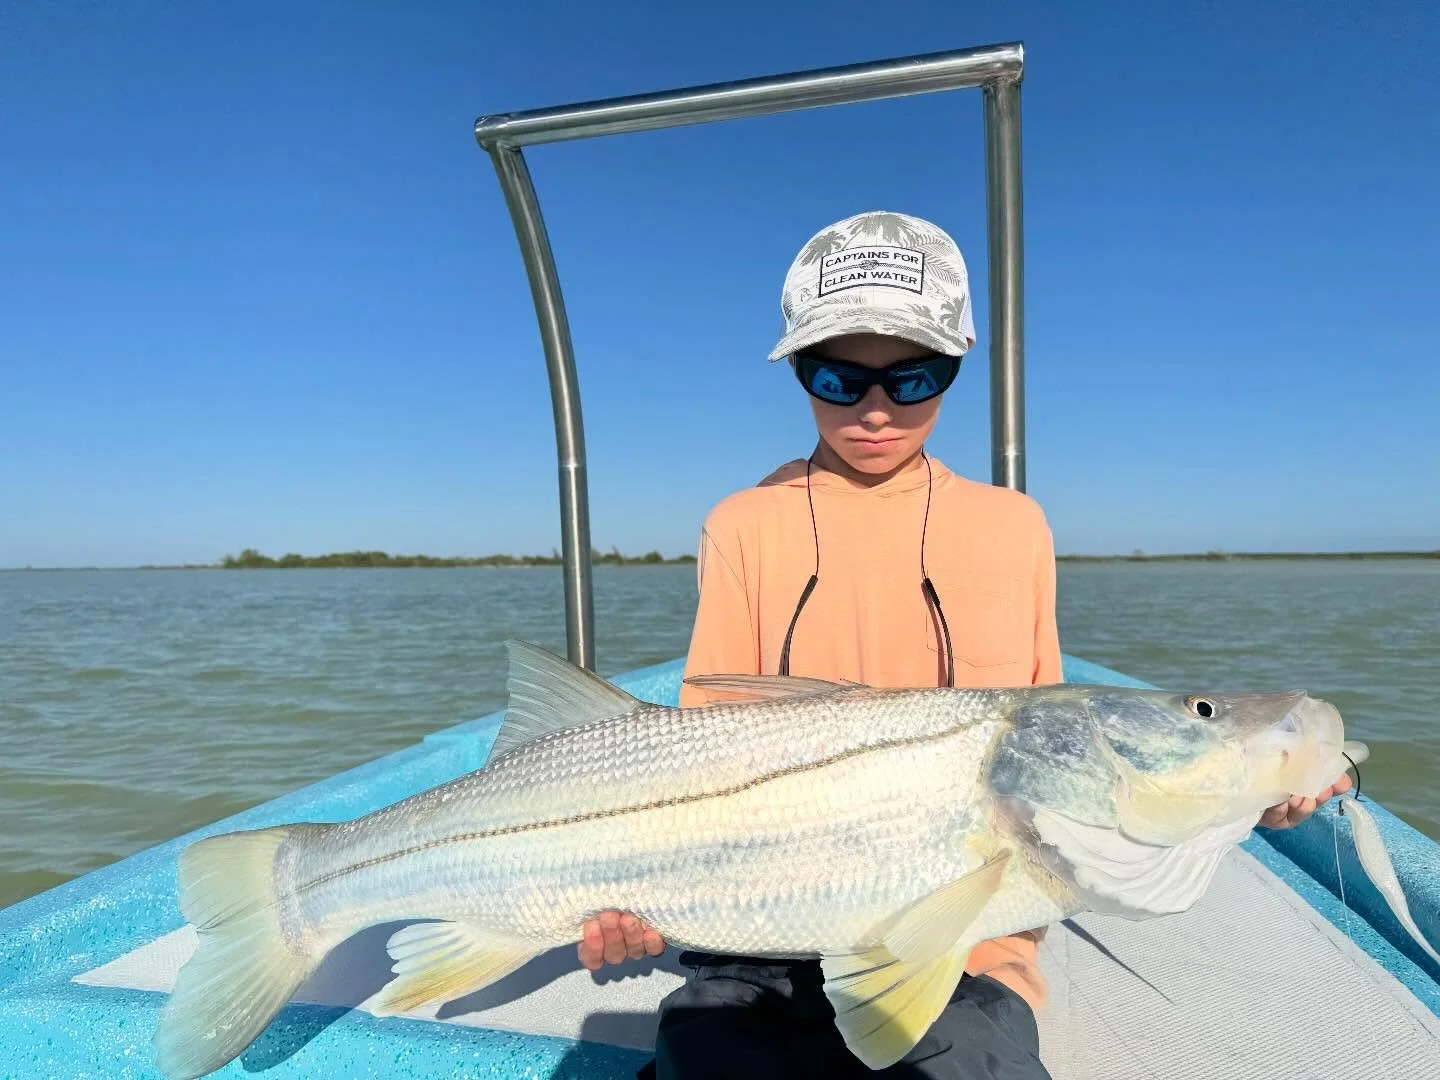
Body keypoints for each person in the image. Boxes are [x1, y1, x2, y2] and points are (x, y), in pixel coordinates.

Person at [577, 210, 1353, 1078]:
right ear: (798, 371)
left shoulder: (1013, 526)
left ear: (955, 365)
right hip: (761, 926)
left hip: (973, 936)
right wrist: (631, 898)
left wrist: (1254, 792)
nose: (875, 410)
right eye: (837, 379)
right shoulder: (743, 524)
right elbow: (697, 762)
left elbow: (1064, 756)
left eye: (913, 378)